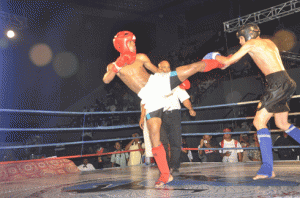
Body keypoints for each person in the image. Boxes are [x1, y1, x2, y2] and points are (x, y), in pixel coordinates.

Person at [103, 31, 224, 187]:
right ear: (122, 44)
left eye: (134, 42)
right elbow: (106, 79)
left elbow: (157, 71)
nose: (134, 44)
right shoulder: (114, 66)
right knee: (155, 139)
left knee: (191, 68)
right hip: (148, 97)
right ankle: (165, 175)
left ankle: (216, 59)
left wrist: (174, 80)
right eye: (131, 42)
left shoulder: (141, 57)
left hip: (158, 83)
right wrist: (118, 64)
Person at [208, 23, 300, 180]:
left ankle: (267, 169)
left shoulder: (251, 43)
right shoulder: (268, 42)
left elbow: (227, 62)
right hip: (286, 81)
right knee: (282, 124)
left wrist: (213, 56)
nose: (240, 43)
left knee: (259, 122)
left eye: (241, 39)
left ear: (245, 36)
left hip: (276, 83)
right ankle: (267, 168)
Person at [140, 60, 196, 175]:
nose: (166, 70)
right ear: (158, 69)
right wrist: (142, 116)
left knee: (176, 141)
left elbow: (184, 98)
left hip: (174, 114)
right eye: (163, 68)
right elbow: (145, 101)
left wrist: (190, 109)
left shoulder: (175, 82)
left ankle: (175, 167)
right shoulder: (153, 83)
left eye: (168, 67)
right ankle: (164, 168)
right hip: (160, 115)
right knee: (162, 142)